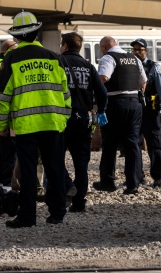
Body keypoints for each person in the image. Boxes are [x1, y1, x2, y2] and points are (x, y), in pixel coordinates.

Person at [0, 11, 70, 228]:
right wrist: (63, 119)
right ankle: (57, 213)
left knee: (28, 171)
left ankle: (27, 216)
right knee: (54, 167)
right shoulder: (53, 57)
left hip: (26, 125)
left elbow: (2, 96)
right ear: (36, 33)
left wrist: (1, 125)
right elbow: (65, 93)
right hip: (53, 123)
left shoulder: (11, 58)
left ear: (17, 37)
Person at [58, 32, 107, 211]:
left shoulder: (58, 63)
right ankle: (79, 203)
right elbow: (102, 93)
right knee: (81, 162)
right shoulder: (88, 66)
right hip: (83, 118)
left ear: (64, 46)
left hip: (61, 117)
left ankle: (67, 185)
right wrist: (100, 111)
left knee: (55, 157)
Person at [94, 36, 147, 195]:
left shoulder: (109, 57)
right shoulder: (134, 58)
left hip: (116, 104)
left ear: (104, 47)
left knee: (110, 143)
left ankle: (108, 181)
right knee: (132, 144)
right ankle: (133, 184)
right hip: (135, 104)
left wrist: (94, 92)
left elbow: (103, 77)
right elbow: (143, 81)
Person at [130, 38, 161, 188]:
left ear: (146, 51)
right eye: (134, 50)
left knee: (155, 146)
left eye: (140, 49)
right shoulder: (130, 66)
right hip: (135, 111)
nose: (137, 52)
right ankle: (138, 177)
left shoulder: (155, 67)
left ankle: (158, 177)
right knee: (134, 145)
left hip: (151, 112)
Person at [0, 39, 18, 186]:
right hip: (6, 118)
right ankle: (7, 186)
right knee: (10, 154)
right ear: (9, 50)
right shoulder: (10, 66)